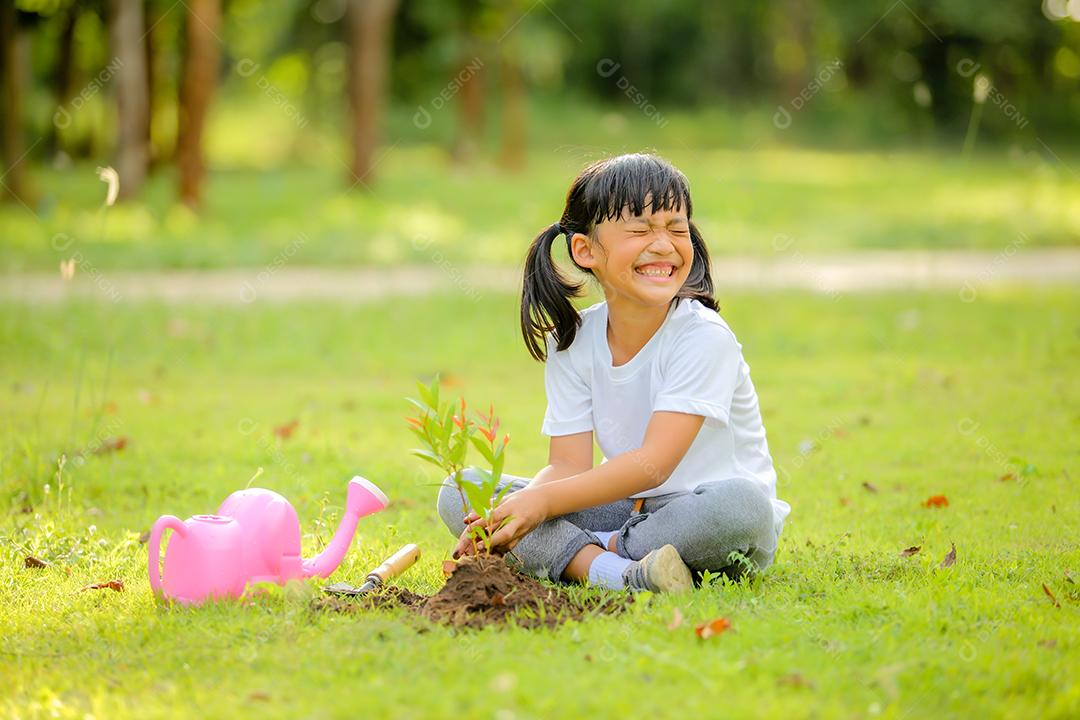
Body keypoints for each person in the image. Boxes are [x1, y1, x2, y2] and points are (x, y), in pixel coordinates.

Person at [437, 153, 790, 592]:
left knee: (743, 507)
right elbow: (567, 466)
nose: (664, 244)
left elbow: (654, 465)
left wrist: (540, 507)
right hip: (627, 508)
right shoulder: (572, 341)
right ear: (585, 250)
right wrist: (526, 504)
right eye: (641, 230)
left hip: (707, 517)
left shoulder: (702, 336)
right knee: (462, 490)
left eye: (677, 229)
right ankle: (622, 575)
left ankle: (584, 556)